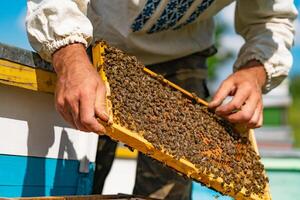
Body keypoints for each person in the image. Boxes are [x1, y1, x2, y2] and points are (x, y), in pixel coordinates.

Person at [26, 0, 297, 199]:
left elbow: (272, 20)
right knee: (73, 181)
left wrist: (254, 71)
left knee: (167, 193)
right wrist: (69, 56)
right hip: (91, 46)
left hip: (182, 57)